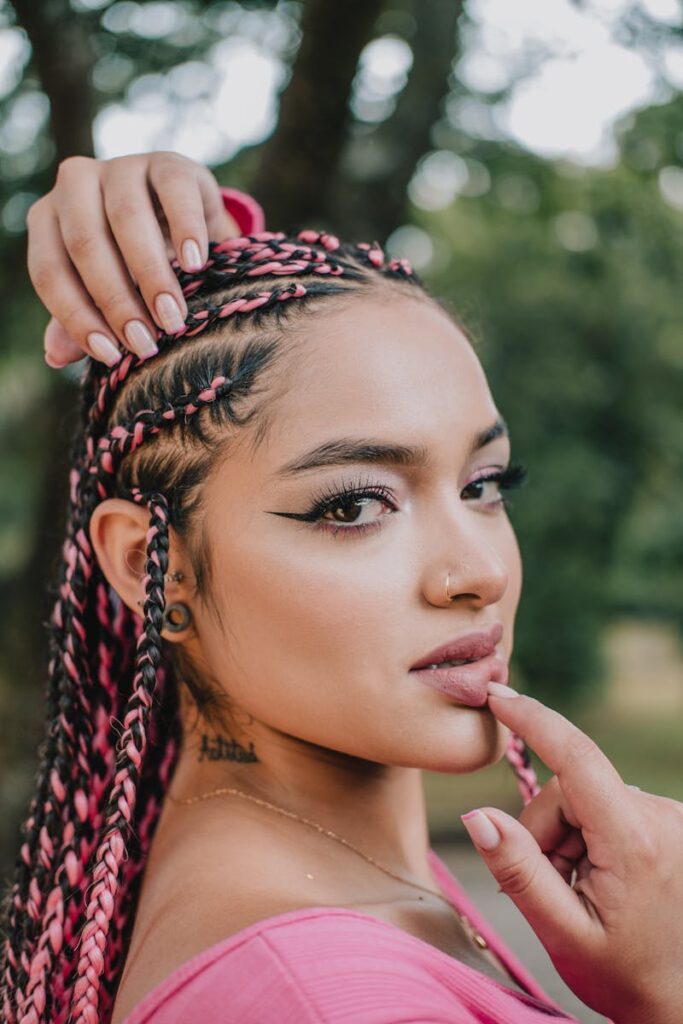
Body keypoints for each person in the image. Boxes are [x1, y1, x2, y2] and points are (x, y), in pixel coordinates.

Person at [1, 152, 680, 1024]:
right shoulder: (321, 996)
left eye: (484, 485)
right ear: (146, 565)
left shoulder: (323, 884)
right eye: (355, 504)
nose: (475, 572)